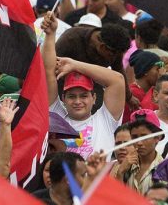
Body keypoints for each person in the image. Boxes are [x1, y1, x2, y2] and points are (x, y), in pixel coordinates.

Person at [42, 13, 125, 159]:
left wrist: (75, 65)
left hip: (95, 181)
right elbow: (48, 71)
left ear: (94, 98)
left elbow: (117, 80)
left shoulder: (105, 120)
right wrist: (50, 34)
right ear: (63, 98)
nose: (78, 101)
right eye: (72, 96)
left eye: (84, 95)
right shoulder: (56, 116)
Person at [124, 110, 163, 195]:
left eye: (144, 137)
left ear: (157, 137)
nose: (139, 143)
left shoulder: (166, 170)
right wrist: (120, 173)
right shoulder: (125, 166)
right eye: (135, 137)